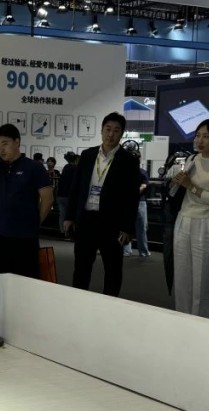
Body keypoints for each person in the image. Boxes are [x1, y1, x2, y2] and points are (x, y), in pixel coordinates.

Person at [64, 112, 141, 297]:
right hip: (86, 220)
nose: (111, 134)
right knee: (81, 267)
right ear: (101, 130)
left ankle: (110, 305)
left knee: (113, 269)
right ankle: (78, 302)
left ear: (121, 133)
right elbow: (76, 188)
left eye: (116, 130)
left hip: (111, 223)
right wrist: (69, 216)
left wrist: (127, 228)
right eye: (108, 129)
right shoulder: (88, 155)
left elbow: (132, 197)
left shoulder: (129, 161)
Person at [171, 119, 209, 317]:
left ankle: (200, 320)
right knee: (181, 276)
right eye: (197, 135)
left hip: (205, 223)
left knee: (202, 279)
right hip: (183, 219)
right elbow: (177, 191)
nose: (200, 140)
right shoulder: (192, 159)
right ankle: (181, 316)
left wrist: (191, 186)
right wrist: (176, 182)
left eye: (206, 136)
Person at [0, 123, 53, 279]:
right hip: (0, 236)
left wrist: (36, 222)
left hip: (25, 238)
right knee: (2, 281)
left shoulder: (34, 167)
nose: (1, 149)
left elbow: (48, 198)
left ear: (17, 142)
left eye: (5, 144)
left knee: (27, 281)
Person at [56, 151, 78, 237]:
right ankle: (72, 232)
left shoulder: (66, 167)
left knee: (62, 214)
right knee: (73, 214)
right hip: (70, 195)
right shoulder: (76, 168)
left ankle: (63, 231)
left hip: (61, 194)